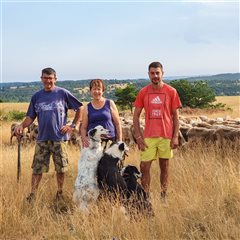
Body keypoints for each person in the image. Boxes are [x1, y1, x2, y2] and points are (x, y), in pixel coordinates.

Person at [15, 67, 83, 203]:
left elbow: (80, 108)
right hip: (42, 139)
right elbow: (30, 117)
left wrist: (72, 125)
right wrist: (21, 126)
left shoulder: (63, 93)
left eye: (50, 78)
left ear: (55, 79)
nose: (48, 81)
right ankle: (33, 194)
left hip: (59, 138)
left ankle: (59, 193)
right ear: (41, 79)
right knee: (37, 168)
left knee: (61, 169)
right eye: (45, 78)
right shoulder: (36, 97)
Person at [133, 61, 181, 200]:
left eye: (157, 73)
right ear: (148, 74)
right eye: (152, 73)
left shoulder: (171, 91)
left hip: (166, 135)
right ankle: (145, 197)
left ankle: (164, 196)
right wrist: (139, 137)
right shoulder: (143, 92)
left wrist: (175, 136)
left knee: (164, 167)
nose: (155, 76)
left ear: (162, 74)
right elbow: (135, 116)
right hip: (148, 136)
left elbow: (176, 117)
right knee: (144, 167)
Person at [81, 79, 122, 148]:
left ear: (103, 91)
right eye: (94, 89)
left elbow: (117, 124)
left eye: (99, 89)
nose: (96, 91)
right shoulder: (87, 108)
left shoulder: (110, 103)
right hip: (94, 143)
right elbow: (83, 128)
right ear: (90, 91)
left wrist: (120, 140)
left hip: (110, 140)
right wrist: (84, 139)